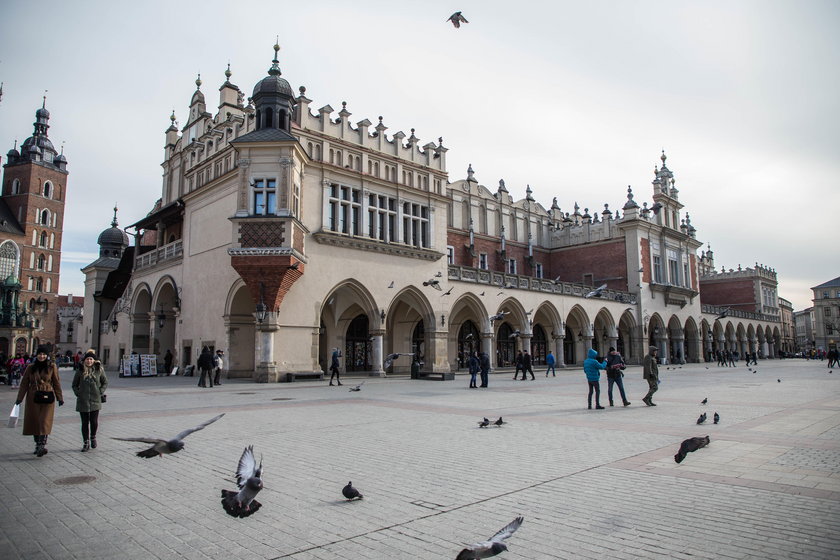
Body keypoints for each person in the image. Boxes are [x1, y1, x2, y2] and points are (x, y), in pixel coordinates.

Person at [15, 346, 64, 456]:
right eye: (40, 354)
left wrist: (59, 397)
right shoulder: (31, 367)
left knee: (44, 421)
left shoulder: (52, 367)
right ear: (36, 355)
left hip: (47, 396)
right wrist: (19, 398)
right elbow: (24, 384)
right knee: (35, 421)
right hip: (33, 396)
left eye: (44, 354)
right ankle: (37, 444)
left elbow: (56, 382)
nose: (41, 356)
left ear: (47, 356)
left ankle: (42, 445)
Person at [72, 349, 108, 452]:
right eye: (87, 359)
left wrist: (100, 391)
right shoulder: (80, 371)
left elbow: (105, 382)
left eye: (91, 359)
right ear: (84, 360)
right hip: (83, 400)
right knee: (84, 422)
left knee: (94, 421)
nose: (89, 361)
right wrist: (78, 393)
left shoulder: (98, 370)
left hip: (95, 400)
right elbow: (74, 385)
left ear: (94, 360)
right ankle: (85, 442)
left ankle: (93, 437)